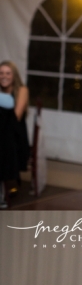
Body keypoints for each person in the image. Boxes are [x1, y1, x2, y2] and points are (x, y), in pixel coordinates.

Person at [0, 60, 29, 208]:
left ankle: (1, 195)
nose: (4, 76)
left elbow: (15, 117)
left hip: (15, 135)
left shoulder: (22, 90)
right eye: (1, 73)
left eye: (8, 73)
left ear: (14, 75)